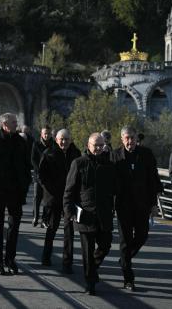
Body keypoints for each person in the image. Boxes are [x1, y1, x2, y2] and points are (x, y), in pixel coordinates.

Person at [63, 133, 116, 296]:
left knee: (106, 245)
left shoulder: (108, 164)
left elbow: (115, 187)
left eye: (101, 145)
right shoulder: (78, 163)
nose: (99, 148)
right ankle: (90, 282)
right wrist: (69, 211)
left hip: (105, 213)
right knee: (87, 251)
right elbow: (69, 190)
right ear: (88, 145)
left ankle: (93, 266)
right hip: (85, 214)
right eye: (96, 145)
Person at [0, 113, 31, 275]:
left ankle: (10, 259)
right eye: (14, 122)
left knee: (14, 228)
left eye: (16, 122)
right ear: (4, 124)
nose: (17, 125)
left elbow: (26, 165)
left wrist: (25, 183)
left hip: (16, 191)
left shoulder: (20, 142)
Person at [113, 126, 162, 292]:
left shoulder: (146, 154)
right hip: (123, 206)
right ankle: (128, 278)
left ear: (136, 138)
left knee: (142, 236)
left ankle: (124, 259)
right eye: (126, 138)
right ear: (122, 139)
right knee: (125, 242)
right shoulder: (115, 156)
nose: (129, 141)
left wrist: (154, 204)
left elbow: (153, 180)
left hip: (142, 205)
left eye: (132, 138)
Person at [38, 129, 81, 271]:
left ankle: (67, 263)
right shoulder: (48, 153)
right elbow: (41, 176)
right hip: (54, 197)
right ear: (56, 139)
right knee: (52, 228)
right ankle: (46, 256)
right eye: (61, 139)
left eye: (67, 139)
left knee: (69, 231)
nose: (64, 142)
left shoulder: (76, 154)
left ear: (71, 140)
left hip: (70, 198)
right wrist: (51, 190)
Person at [31, 125, 54, 227]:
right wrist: (39, 170)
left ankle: (45, 219)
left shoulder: (53, 144)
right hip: (38, 175)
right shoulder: (36, 144)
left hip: (49, 176)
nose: (46, 135)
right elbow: (33, 159)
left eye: (48, 133)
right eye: (45, 133)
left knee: (47, 198)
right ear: (41, 134)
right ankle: (36, 216)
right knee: (37, 197)